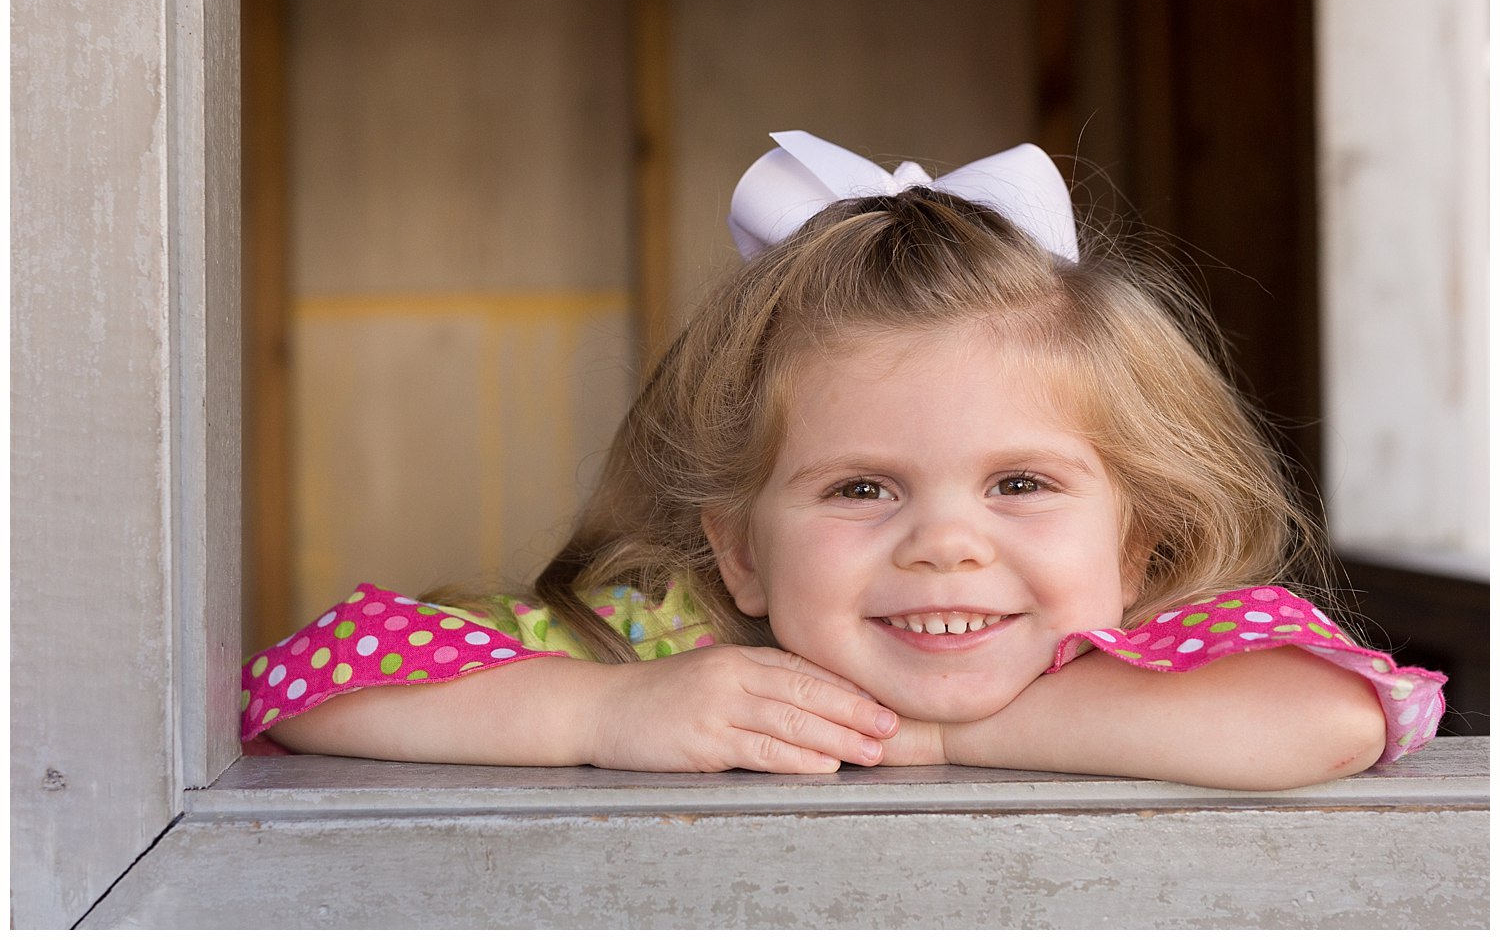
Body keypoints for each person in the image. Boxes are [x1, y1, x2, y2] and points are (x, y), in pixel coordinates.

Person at [243, 131, 1445, 789]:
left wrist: (941, 741)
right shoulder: (678, 647)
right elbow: (306, 686)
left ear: (1141, 542)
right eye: (861, 487)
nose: (946, 541)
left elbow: (1330, 716)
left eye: (1019, 483)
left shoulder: (1154, 655)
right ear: (740, 549)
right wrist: (609, 710)